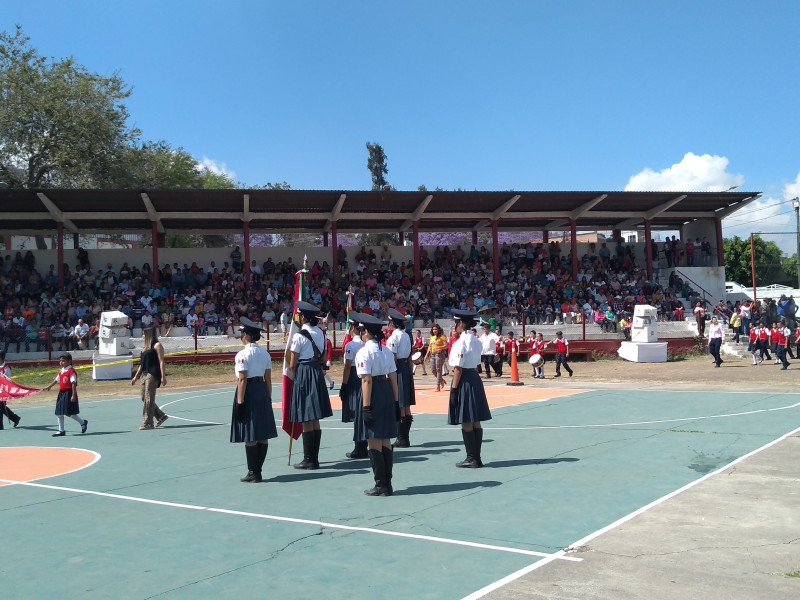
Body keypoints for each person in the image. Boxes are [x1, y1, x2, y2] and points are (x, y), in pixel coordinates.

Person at [354, 313, 399, 496]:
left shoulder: (364, 351)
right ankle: (387, 482)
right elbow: (393, 376)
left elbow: (366, 380)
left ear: (365, 332)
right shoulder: (386, 350)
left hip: (373, 393)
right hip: (387, 390)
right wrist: (396, 401)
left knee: (373, 439)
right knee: (385, 439)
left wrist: (366, 407)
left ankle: (380, 484)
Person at [229, 317, 277, 483]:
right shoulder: (265, 354)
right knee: (262, 433)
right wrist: (268, 397)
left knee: (250, 434)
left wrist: (240, 403)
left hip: (249, 391)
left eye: (242, 333)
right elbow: (269, 379)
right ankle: (258, 470)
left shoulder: (242, 354)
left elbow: (242, 379)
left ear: (246, 335)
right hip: (262, 391)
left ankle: (253, 471)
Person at [288, 301, 332, 470]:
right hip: (316, 371)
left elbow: (292, 365)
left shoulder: (299, 336)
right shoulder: (321, 333)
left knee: (307, 417)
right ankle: (314, 458)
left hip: (305, 372)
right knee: (314, 418)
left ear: (303, 317)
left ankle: (309, 459)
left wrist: (296, 377)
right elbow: (323, 358)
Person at [447, 309, 492, 468]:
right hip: (474, 378)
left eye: (456, 323)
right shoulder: (476, 340)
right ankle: (476, 457)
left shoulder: (461, 342)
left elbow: (458, 368)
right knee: (476, 421)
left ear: (461, 323)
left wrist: (453, 390)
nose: (455, 326)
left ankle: (471, 457)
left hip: (464, 379)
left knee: (466, 420)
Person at [130, 328, 169, 430]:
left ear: (148, 335)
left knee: (149, 398)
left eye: (143, 334)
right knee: (144, 397)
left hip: (153, 374)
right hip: (144, 374)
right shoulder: (144, 348)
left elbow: (161, 361)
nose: (142, 336)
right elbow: (141, 365)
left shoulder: (157, 346)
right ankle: (160, 415)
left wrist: (163, 376)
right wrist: (136, 376)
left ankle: (148, 422)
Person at [340, 312, 367, 459]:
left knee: (357, 413)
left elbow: (347, 367)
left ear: (353, 328)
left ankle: (359, 446)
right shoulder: (364, 343)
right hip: (363, 376)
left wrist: (344, 385)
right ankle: (363, 444)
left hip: (354, 378)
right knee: (362, 411)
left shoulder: (351, 345)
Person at [387, 309, 415, 448]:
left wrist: (388, 374)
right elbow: (409, 356)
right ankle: (405, 437)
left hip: (397, 368)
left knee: (400, 404)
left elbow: (392, 357)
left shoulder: (394, 337)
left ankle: (401, 438)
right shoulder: (406, 335)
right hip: (405, 368)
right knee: (406, 405)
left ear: (392, 323)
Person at [44, 353, 88, 437]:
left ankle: (82, 422)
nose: (61, 362)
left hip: (69, 393)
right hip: (61, 393)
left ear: (69, 361)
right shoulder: (62, 370)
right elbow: (57, 380)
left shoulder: (71, 371)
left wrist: (73, 395)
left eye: (63, 361)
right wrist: (48, 387)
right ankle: (61, 431)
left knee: (69, 413)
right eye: (60, 361)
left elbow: (73, 383)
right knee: (59, 412)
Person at [0, 350, 21, 428]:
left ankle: (0, 426)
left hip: (3, 390)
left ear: (1, 358)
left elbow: (7, 380)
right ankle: (15, 418)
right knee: (2, 407)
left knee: (0, 407)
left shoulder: (6, 368)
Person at [425, 324, 449, 391]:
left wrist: (440, 347)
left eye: (436, 329)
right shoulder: (432, 337)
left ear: (438, 330)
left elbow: (446, 345)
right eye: (433, 329)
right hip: (432, 354)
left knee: (439, 369)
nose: (434, 330)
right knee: (433, 370)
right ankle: (441, 380)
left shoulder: (442, 336)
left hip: (439, 354)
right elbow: (430, 346)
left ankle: (437, 385)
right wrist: (427, 355)